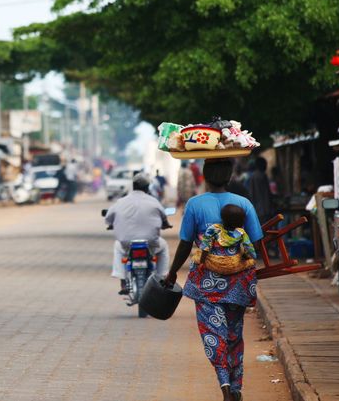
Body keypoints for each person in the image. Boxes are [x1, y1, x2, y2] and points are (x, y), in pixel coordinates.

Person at [164, 158, 263, 401]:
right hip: (238, 284)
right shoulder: (244, 203)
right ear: (230, 176)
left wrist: (173, 271)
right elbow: (257, 243)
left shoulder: (195, 204)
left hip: (206, 283)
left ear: (205, 177)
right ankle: (236, 387)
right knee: (233, 335)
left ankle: (225, 385)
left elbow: (187, 243)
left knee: (213, 333)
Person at [104, 173, 172, 295]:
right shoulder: (154, 201)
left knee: (117, 246)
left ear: (133, 186)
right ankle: (162, 278)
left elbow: (108, 218)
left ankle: (123, 280)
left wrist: (111, 224)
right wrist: (166, 224)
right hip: (150, 243)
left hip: (127, 244)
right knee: (164, 247)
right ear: (147, 188)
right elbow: (164, 217)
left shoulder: (120, 201)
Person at [193, 204, 257, 276]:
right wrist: (247, 258)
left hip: (214, 264)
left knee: (197, 255)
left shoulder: (214, 228)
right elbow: (249, 250)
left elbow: (205, 247)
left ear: (222, 218)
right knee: (251, 261)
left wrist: (202, 262)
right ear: (239, 221)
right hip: (234, 266)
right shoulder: (241, 232)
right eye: (242, 219)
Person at [246, 157, 273, 224]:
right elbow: (267, 193)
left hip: (258, 210)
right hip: (265, 210)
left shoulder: (253, 177)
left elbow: (251, 194)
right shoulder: (263, 176)